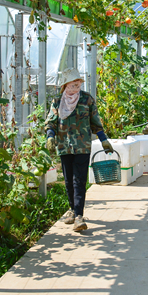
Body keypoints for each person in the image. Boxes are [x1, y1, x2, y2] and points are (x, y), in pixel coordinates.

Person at [45, 69, 111, 232]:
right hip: (64, 145)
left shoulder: (86, 99)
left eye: (78, 84)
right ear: (65, 85)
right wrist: (50, 136)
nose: (76, 87)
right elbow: (51, 121)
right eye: (73, 84)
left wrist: (104, 140)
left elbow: (95, 121)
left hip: (82, 146)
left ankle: (79, 216)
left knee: (79, 180)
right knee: (68, 180)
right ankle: (72, 209)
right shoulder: (58, 101)